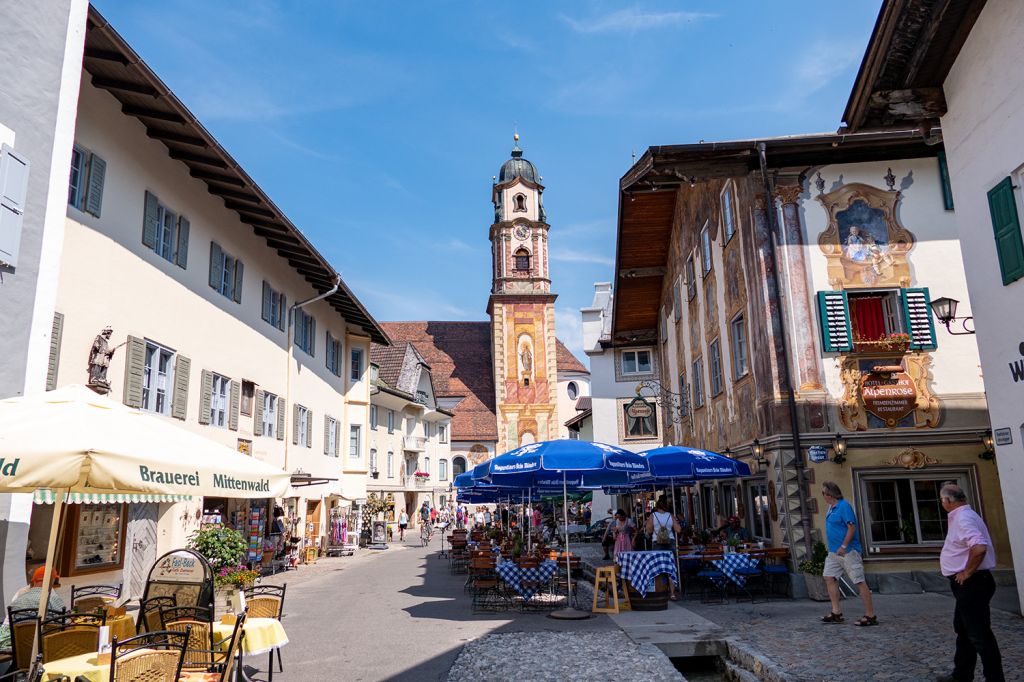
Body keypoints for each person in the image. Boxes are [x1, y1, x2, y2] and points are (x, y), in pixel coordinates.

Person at [936, 482, 1003, 682]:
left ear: (947, 501)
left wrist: (967, 572)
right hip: (971, 584)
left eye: (941, 500)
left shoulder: (964, 518)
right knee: (964, 630)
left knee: (979, 634)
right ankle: (962, 675)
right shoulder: (965, 515)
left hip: (974, 583)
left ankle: (995, 678)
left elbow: (979, 547)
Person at [820, 481, 877, 626]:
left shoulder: (844, 506)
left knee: (858, 580)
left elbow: (851, 527)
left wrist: (844, 546)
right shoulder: (831, 508)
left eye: (823, 493)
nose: (823, 496)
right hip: (833, 552)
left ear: (830, 494)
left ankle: (870, 615)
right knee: (829, 577)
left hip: (848, 551)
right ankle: (836, 612)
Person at [0, 567, 65, 650]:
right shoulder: (53, 598)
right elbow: (64, 623)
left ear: (34, 581)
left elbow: (9, 623)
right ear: (51, 581)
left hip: (20, 647)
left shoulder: (18, 599)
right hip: (45, 648)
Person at [646, 498, 681, 600]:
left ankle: (660, 590)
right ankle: (672, 593)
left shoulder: (653, 516)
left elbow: (649, 530)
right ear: (666, 506)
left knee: (657, 567)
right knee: (671, 567)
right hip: (670, 542)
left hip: (657, 542)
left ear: (657, 506)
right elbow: (678, 530)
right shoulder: (670, 515)